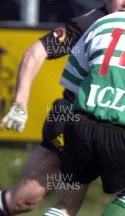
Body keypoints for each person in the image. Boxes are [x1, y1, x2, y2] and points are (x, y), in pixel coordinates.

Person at [0, 0, 125, 216]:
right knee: (25, 199)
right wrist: (20, 102)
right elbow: (36, 51)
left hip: (88, 125)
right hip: (76, 118)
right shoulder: (90, 24)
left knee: (49, 204)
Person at [42, 11, 125, 216]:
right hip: (121, 129)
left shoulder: (104, 22)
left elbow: (73, 80)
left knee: (65, 206)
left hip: (82, 125)